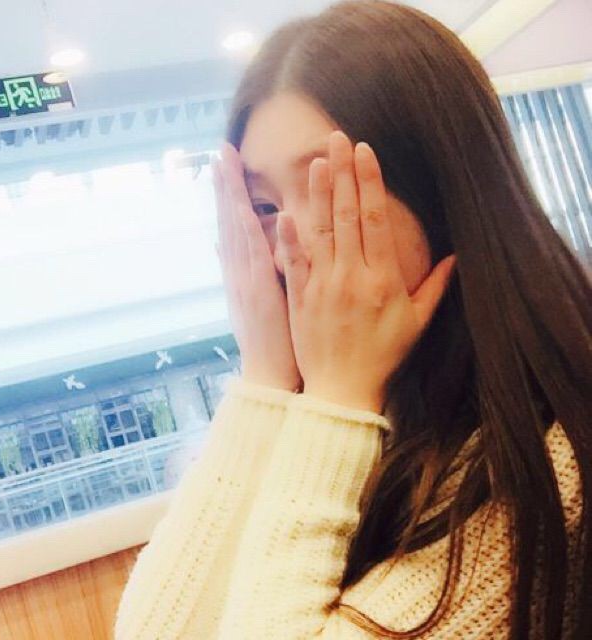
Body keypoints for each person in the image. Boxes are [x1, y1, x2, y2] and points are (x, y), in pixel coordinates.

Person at [114, 1, 591, 638]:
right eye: (262, 205)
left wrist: (337, 396)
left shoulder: (548, 452)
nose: (287, 247)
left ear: (445, 190)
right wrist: (264, 381)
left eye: (329, 191)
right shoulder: (368, 403)